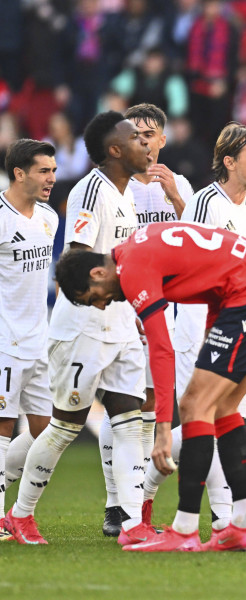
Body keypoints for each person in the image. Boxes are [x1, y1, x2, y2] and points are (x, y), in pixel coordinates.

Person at [51, 222, 246, 551]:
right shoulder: (140, 246)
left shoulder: (132, 269)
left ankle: (185, 530)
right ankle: (244, 525)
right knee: (223, 408)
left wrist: (163, 428)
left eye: (92, 298)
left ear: (96, 274)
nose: (102, 305)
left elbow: (161, 349)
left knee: (193, 405)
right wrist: (213, 332)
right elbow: (213, 282)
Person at [4, 111, 152, 546]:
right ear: (114, 149)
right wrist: (114, 285)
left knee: (131, 420)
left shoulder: (128, 194)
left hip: (121, 321)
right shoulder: (92, 190)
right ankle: (20, 513)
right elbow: (76, 259)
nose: (145, 144)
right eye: (136, 138)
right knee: (64, 426)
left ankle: (132, 522)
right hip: (84, 324)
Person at [142, 121, 246, 541]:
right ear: (229, 161)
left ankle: (140, 498)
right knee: (209, 420)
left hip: (239, 327)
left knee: (219, 422)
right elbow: (188, 260)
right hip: (199, 329)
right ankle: (222, 520)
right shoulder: (204, 203)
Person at [95, 102, 195, 536]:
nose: (144, 141)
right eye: (135, 133)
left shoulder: (180, 185)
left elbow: (194, 246)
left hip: (163, 309)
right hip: (124, 306)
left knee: (149, 405)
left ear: (163, 140)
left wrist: (176, 198)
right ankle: (117, 504)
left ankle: (127, 504)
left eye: (150, 133)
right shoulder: (117, 187)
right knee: (124, 403)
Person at [0, 140, 59, 540]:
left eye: (53, 171)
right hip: (5, 340)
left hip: (41, 341)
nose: (52, 179)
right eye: (43, 171)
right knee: (3, 425)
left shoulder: (49, 218)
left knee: (49, 431)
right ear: (19, 173)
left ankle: (20, 514)